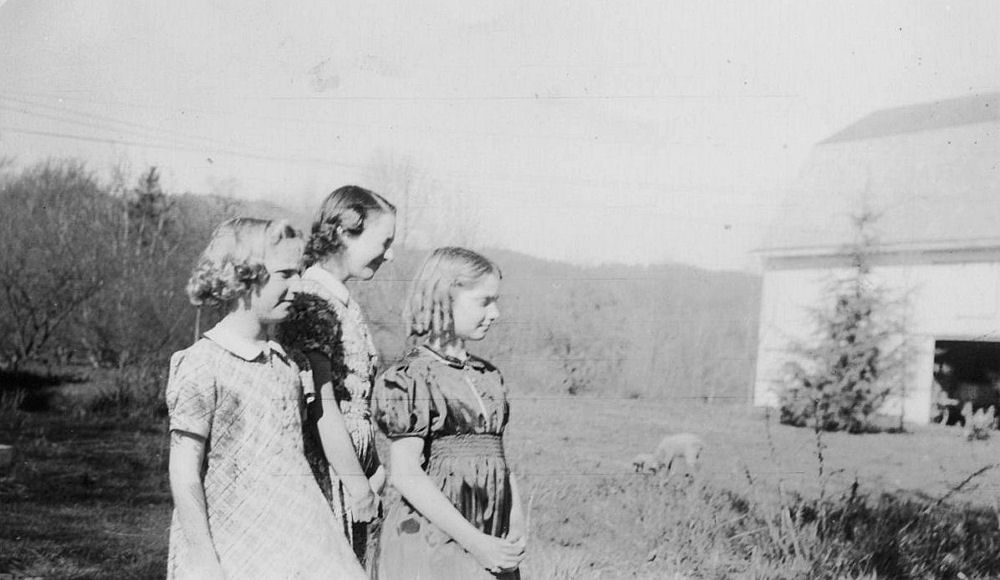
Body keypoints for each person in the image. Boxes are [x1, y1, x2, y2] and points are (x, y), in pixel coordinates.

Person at [166, 217, 367, 580]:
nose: (297, 286)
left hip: (296, 534)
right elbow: (184, 472)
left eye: (300, 272)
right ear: (243, 277)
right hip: (230, 544)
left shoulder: (290, 364)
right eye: (285, 274)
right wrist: (203, 558)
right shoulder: (202, 364)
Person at [373, 247, 527, 579]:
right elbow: (405, 473)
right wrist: (474, 541)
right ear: (445, 299)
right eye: (484, 302)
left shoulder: (487, 377)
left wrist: (515, 521)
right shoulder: (411, 378)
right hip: (436, 542)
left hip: (491, 535)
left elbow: (499, 460)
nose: (496, 312)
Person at [277, 185, 396, 566]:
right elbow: (322, 407)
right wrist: (356, 482)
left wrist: (373, 469)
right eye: (384, 241)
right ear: (345, 233)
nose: (389, 254)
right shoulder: (312, 301)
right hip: (327, 474)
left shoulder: (341, 299)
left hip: (351, 472)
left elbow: (356, 406)